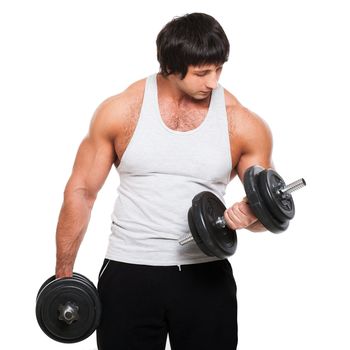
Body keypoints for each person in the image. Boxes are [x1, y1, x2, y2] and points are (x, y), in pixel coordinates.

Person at [55, 12, 273, 350]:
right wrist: (64, 269)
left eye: (218, 69)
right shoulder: (121, 111)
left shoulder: (241, 123)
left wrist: (250, 217)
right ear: (171, 67)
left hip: (206, 275)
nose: (213, 82)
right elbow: (82, 191)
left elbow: (267, 210)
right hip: (129, 272)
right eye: (202, 72)